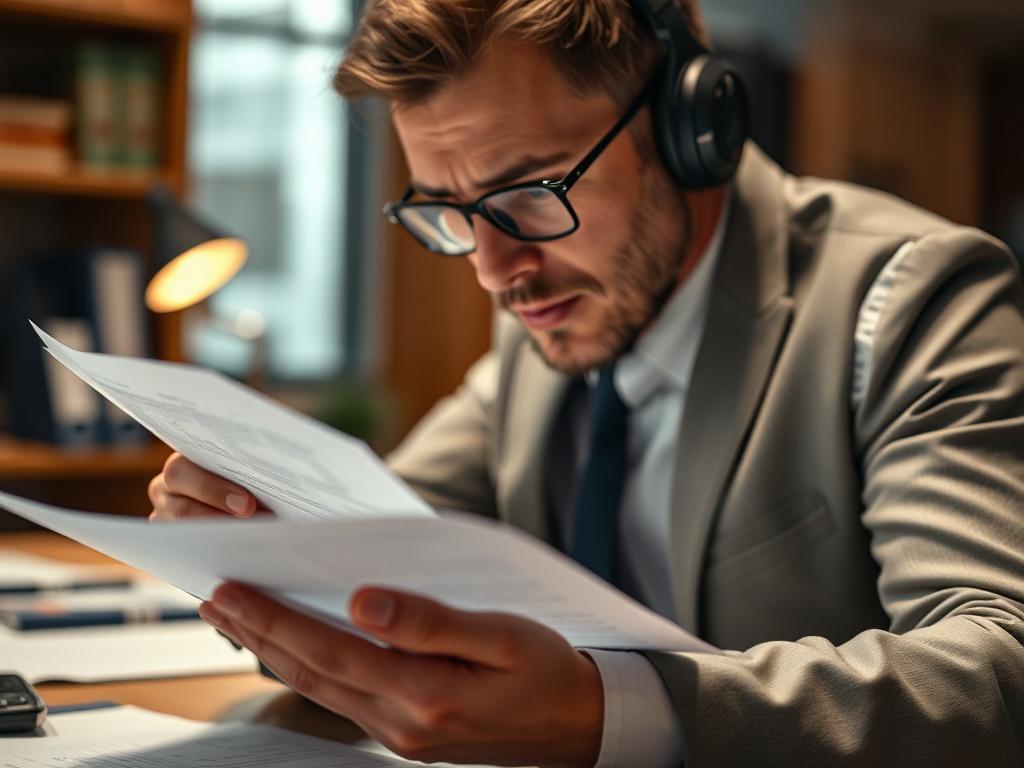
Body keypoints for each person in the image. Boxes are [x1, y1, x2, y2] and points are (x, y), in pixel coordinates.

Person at [147, 1, 1024, 765]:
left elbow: (1002, 671)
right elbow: (376, 546)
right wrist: (264, 552)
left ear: (692, 128)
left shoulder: (916, 301)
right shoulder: (547, 322)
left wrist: (610, 714)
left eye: (530, 191)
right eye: (446, 210)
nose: (493, 270)